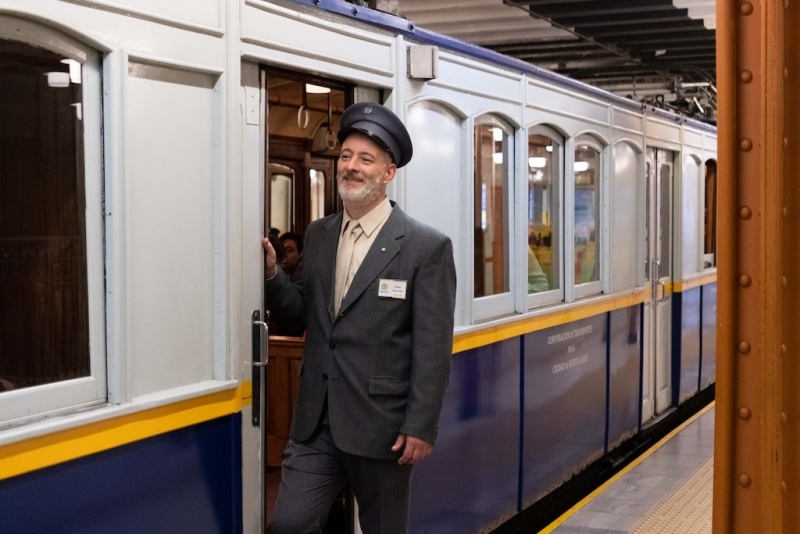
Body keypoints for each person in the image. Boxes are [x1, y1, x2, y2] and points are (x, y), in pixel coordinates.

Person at [262, 102, 457, 534]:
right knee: (291, 522)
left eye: (365, 160)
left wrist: (421, 425)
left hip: (383, 427)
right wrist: (273, 274)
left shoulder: (425, 247)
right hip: (317, 421)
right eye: (346, 156)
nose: (351, 167)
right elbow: (299, 315)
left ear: (388, 173)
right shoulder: (320, 233)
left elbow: (433, 347)